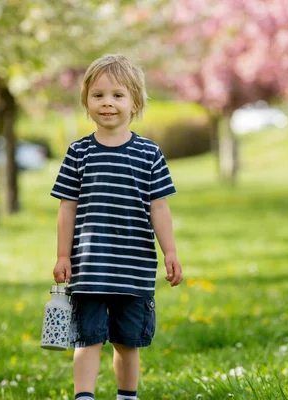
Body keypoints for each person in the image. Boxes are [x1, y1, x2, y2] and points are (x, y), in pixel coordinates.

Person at [50, 54, 183, 400]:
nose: (107, 102)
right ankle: (85, 396)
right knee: (87, 339)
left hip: (134, 270)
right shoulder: (78, 152)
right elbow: (67, 208)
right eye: (98, 95)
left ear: (135, 102)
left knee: (127, 343)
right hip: (89, 269)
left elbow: (159, 207)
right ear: (86, 102)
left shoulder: (149, 153)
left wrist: (170, 251)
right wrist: (63, 255)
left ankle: (127, 396)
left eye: (118, 95)